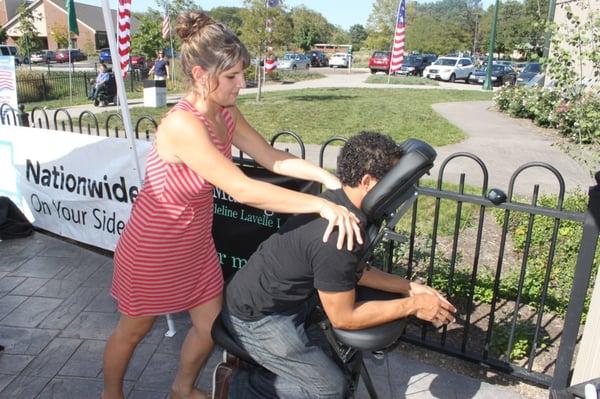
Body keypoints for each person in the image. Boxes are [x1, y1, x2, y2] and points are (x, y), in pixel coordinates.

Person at [102, 11, 362, 399]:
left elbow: (269, 156)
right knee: (135, 329)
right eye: (231, 77)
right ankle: (111, 393)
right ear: (199, 75)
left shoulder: (225, 111)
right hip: (154, 246)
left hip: (194, 243)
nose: (242, 83)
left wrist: (328, 179)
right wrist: (320, 206)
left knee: (210, 324)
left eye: (242, 73)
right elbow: (241, 188)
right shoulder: (182, 125)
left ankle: (182, 389)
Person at [222, 132, 457, 398]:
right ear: (367, 181)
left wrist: (410, 287)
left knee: (336, 363)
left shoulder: (340, 203)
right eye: (391, 181)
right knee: (332, 389)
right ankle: (237, 384)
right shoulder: (338, 235)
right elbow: (344, 317)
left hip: (290, 300)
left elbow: (352, 271)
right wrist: (414, 305)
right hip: (257, 318)